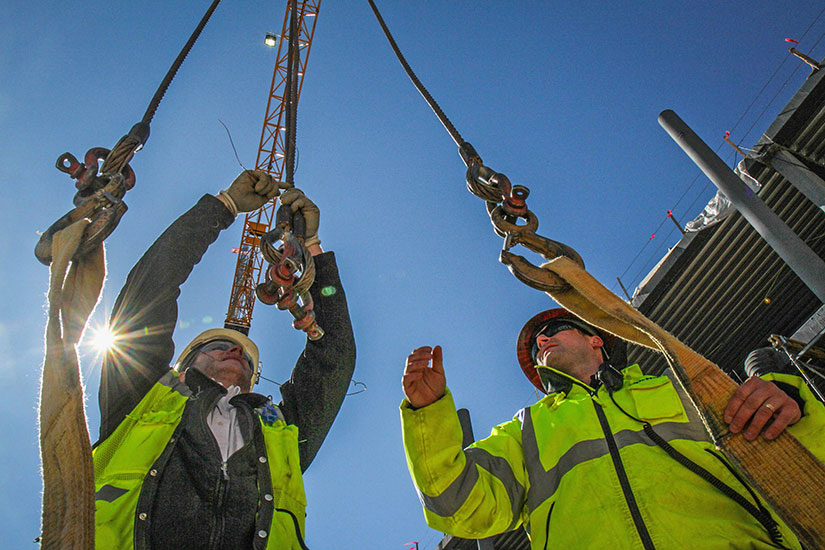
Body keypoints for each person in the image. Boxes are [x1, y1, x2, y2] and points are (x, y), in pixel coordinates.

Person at [401, 308, 825, 550]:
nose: (541, 343)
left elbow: (797, 453)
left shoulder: (682, 389)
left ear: (596, 339)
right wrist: (430, 413)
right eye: (536, 347)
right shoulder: (524, 432)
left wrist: (793, 400)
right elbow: (456, 505)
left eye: (550, 332)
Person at [93, 170, 356, 550]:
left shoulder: (280, 432)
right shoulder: (140, 400)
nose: (235, 351)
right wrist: (224, 207)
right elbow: (147, 294)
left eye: (247, 360)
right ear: (183, 368)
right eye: (217, 346)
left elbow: (335, 356)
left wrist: (312, 254)